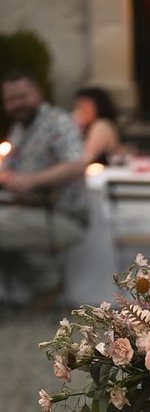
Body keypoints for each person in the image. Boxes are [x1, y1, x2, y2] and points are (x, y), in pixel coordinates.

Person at [0, 70, 88, 307]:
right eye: (10, 99)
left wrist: (33, 180)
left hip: (62, 217)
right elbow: (8, 171)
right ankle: (45, 283)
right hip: (29, 212)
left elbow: (77, 163)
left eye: (22, 96)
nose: (16, 103)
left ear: (37, 93)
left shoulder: (58, 122)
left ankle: (46, 282)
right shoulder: (20, 129)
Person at [72, 86, 121, 165]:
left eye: (83, 106)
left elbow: (85, 157)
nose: (79, 111)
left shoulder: (101, 126)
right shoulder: (89, 127)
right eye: (78, 106)